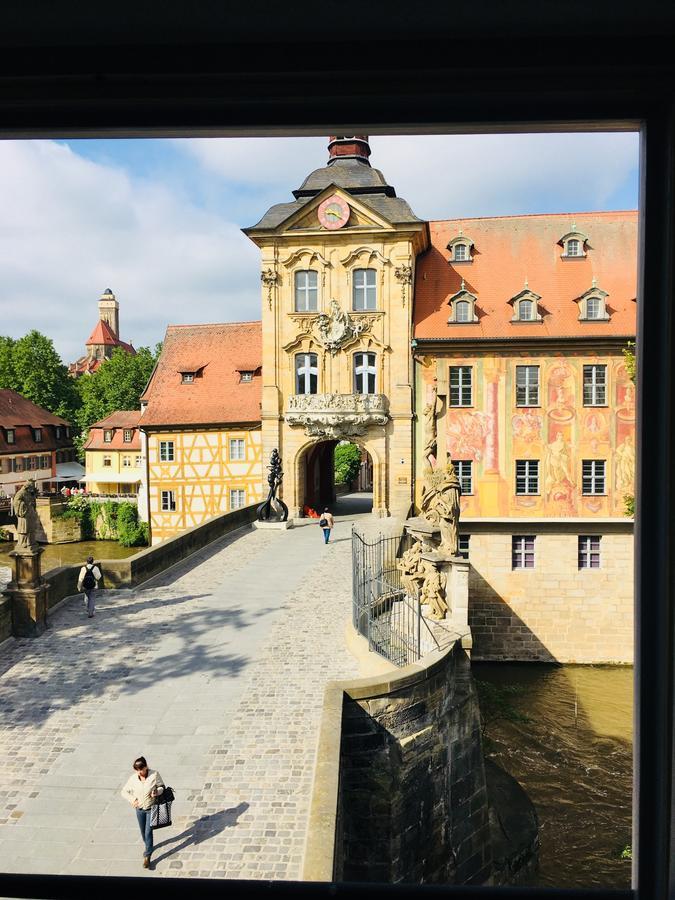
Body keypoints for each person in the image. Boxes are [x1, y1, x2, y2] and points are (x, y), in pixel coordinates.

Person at [120, 756, 165, 869]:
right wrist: (132, 800)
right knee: (143, 831)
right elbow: (124, 791)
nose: (139, 772)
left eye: (141, 769)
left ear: (146, 767)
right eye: (137, 770)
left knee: (148, 832)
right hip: (139, 809)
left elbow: (162, 787)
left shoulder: (154, 775)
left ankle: (147, 855)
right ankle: (148, 845)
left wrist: (157, 792)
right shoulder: (133, 778)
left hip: (151, 809)